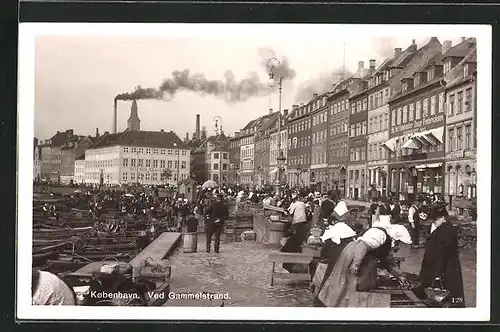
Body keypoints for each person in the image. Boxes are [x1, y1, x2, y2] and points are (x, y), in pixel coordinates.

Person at [314, 220, 412, 307]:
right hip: (354, 255)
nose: (398, 245)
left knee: (353, 282)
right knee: (344, 282)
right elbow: (362, 246)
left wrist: (400, 275)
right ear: (396, 237)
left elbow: (388, 260)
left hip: (359, 256)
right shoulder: (379, 234)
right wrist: (356, 264)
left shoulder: (386, 240)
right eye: (399, 242)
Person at [418, 201, 465, 307]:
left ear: (443, 218)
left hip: (444, 271)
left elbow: (442, 254)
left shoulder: (446, 231)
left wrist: (438, 274)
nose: (434, 222)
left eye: (436, 219)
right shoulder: (444, 229)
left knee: (443, 296)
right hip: (442, 269)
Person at [281, 194, 309, 272]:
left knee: (295, 237)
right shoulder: (302, 204)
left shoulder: (294, 204)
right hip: (304, 221)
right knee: (300, 236)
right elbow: (306, 211)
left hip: (297, 222)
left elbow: (290, 213)